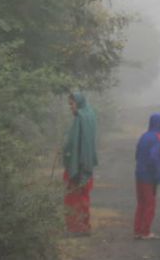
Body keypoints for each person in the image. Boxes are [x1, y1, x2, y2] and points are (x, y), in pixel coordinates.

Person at [62, 91, 98, 236]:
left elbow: (79, 145)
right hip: (83, 164)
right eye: (69, 104)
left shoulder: (81, 118)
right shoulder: (88, 115)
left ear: (79, 103)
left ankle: (76, 228)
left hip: (78, 166)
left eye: (72, 104)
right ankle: (83, 226)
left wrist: (77, 167)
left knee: (74, 197)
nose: (70, 107)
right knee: (82, 196)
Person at [134, 113, 160, 240]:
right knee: (150, 205)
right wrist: (156, 174)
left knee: (141, 204)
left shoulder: (144, 136)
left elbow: (137, 154)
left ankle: (137, 230)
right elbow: (154, 158)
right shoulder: (157, 138)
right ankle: (146, 232)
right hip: (149, 177)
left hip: (139, 174)